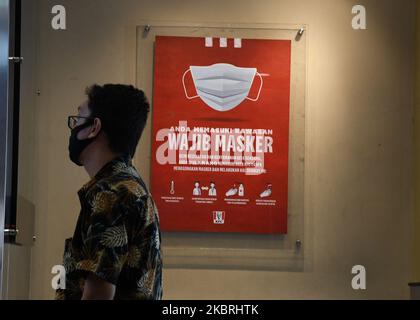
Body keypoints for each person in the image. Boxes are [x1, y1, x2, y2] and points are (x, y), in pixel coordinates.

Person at [56, 84, 162, 300]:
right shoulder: (127, 185)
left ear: (94, 127)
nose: (73, 126)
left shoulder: (112, 193)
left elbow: (98, 295)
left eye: (78, 118)